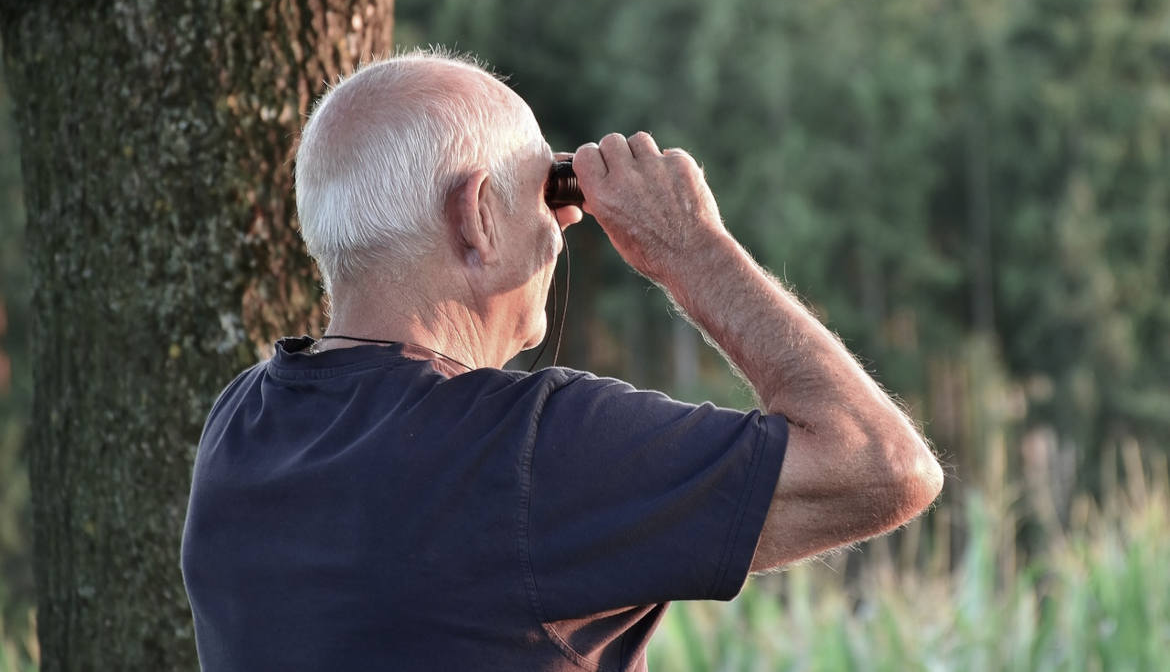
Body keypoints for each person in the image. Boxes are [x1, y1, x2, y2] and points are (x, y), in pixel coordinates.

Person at [181, 51, 943, 672]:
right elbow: (881, 466)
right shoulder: (528, 452)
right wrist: (692, 250)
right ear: (476, 217)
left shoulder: (241, 429)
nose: (560, 231)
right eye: (543, 195)